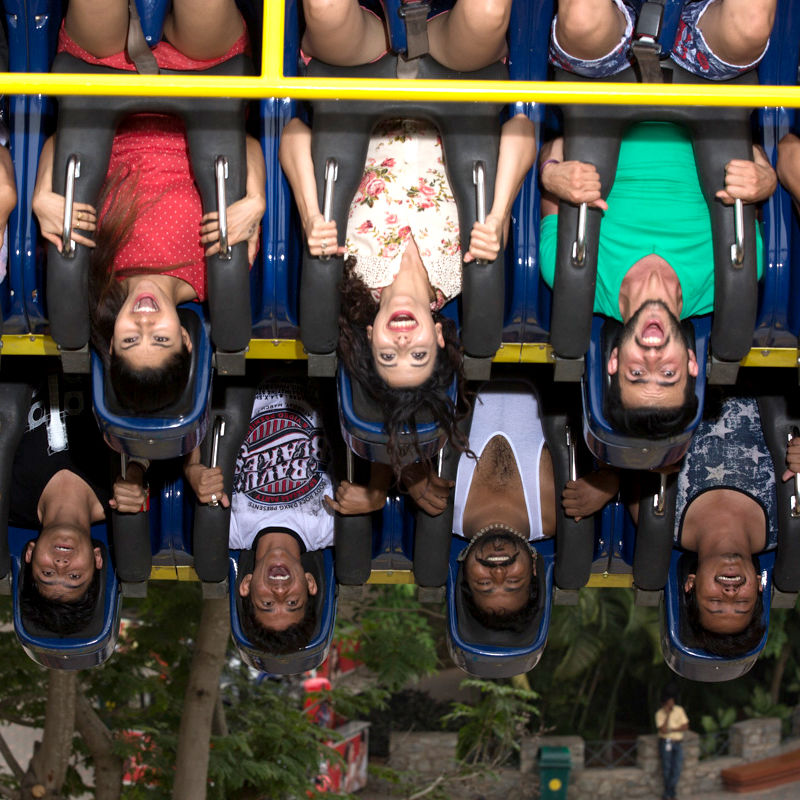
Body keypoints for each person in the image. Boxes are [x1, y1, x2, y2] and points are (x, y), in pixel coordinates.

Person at [279, 0, 536, 472]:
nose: (402, 340)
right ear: (439, 337)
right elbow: (521, 128)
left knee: (324, 9)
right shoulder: (466, 267)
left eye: (386, 354)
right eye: (416, 354)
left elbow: (293, 129)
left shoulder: (346, 265)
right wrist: (498, 214)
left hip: (366, 60)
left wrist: (310, 210)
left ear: (370, 334)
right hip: (450, 65)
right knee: (488, 13)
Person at [539, 0, 777, 437]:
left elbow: (551, 157)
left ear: (613, 364)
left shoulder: (572, 272)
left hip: (608, 72)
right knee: (751, 22)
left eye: (636, 374)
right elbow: (747, 160)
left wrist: (554, 177)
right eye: (667, 375)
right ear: (690, 364)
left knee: (581, 17)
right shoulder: (732, 273)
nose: (652, 358)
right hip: (706, 76)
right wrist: (765, 178)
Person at [32, 0, 265, 413]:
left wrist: (43, 197)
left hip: (110, 68)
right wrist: (255, 199)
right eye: (160, 338)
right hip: (200, 72)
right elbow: (244, 144)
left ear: (112, 337)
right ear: (186, 338)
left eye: (128, 339)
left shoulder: (92, 268)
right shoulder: (214, 269)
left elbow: (60, 143)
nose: (143, 323)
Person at [184, 379, 390, 653]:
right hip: (324, 376)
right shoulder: (334, 527)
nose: (279, 593)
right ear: (309, 583)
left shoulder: (225, 528)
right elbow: (380, 433)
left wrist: (191, 467)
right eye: (292, 602)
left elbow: (195, 422)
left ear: (246, 585)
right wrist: (377, 491)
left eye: (267, 603)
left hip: (240, 375)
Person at [10, 373, 147, 635]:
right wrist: (137, 466)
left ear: (30, 554)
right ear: (97, 559)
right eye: (74, 577)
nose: (61, 565)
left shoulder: (10, 497)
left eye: (47, 573)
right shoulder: (123, 491)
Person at [452, 380, 556, 630]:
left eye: (484, 584)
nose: (498, 572)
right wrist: (605, 479)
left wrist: (412, 474)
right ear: (533, 567)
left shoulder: (439, 505)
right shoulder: (554, 513)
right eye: (513, 582)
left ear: (465, 574)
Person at [655, 684, 689, 800]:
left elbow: (685, 726)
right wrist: (668, 714)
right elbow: (663, 730)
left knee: (677, 768)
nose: (671, 703)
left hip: (677, 743)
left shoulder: (679, 710)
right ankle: (671, 794)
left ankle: (668, 793)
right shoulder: (659, 714)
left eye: (672, 700)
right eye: (669, 701)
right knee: (666, 768)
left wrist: (672, 729)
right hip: (666, 743)